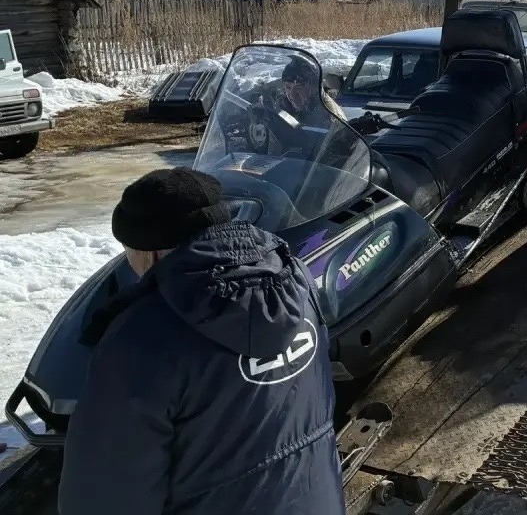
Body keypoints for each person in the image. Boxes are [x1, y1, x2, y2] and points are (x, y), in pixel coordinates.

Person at [59, 167, 344, 515]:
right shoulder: (295, 281)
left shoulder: (142, 336)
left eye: (128, 249)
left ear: (150, 252)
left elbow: (106, 493)